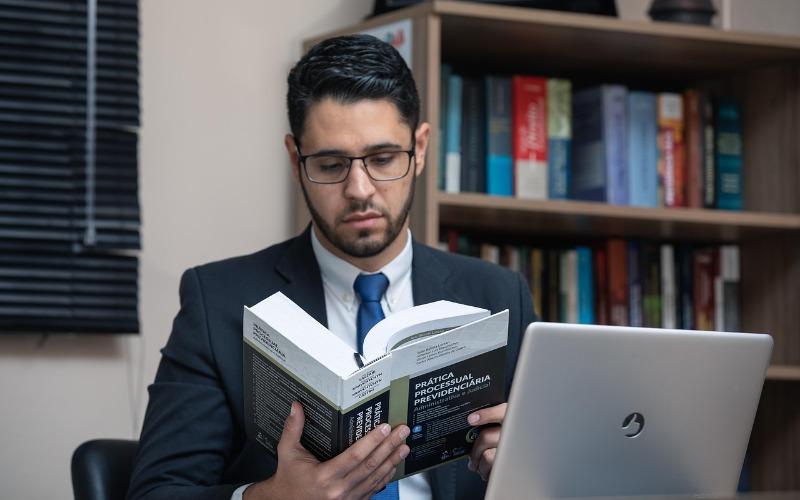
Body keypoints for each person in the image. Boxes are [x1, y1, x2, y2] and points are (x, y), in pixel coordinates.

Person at [127, 34, 536, 500]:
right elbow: (156, 493)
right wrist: (271, 498)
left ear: (420, 148)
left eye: (383, 159)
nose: (360, 189)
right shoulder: (217, 300)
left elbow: (563, 477)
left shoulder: (500, 296)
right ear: (295, 159)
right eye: (330, 164)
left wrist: (520, 470)